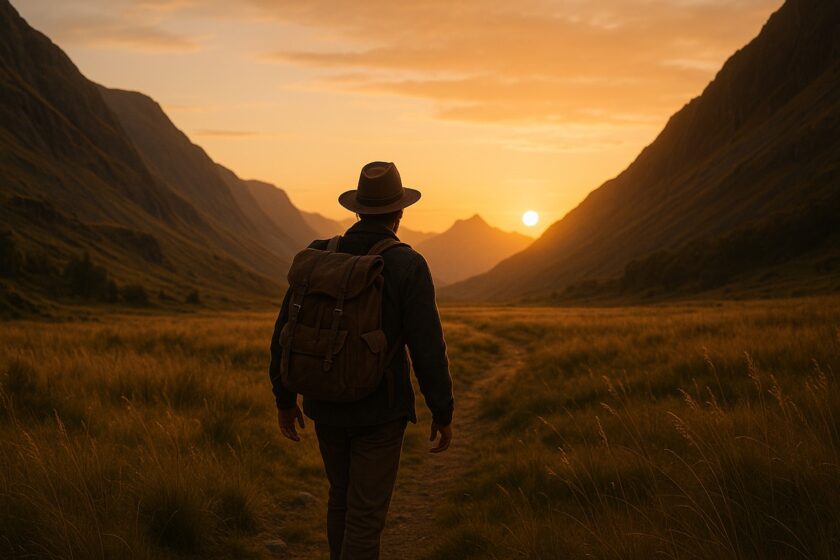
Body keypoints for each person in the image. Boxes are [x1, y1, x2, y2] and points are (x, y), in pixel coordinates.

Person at [268, 161, 455, 560]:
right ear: (399, 213)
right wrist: (443, 409)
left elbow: (286, 329)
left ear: (357, 210)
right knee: (366, 517)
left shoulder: (319, 255)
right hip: (380, 410)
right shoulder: (407, 264)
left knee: (340, 499)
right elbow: (427, 348)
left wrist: (285, 398)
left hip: (324, 402)